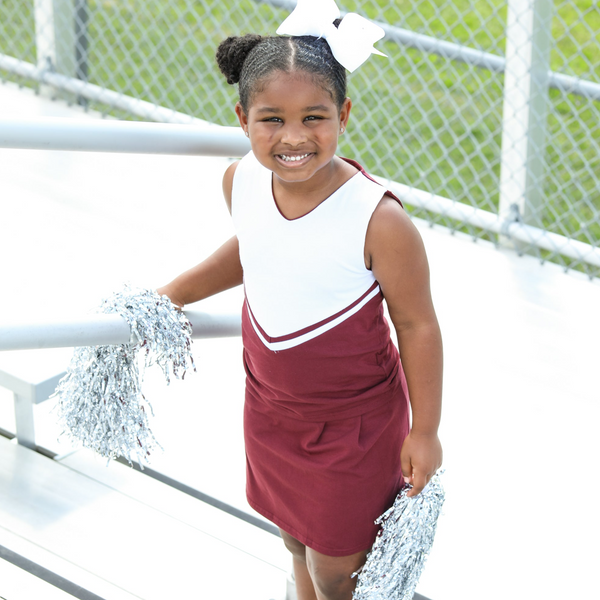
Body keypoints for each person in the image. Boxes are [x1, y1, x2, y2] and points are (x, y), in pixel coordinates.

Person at [157, 5, 443, 600]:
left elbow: (417, 325)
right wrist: (168, 296)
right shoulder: (241, 181)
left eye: (314, 117)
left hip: (354, 426)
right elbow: (254, 251)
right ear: (242, 117)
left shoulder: (380, 221)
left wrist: (426, 431)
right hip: (269, 407)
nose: (293, 137)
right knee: (293, 540)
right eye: (272, 119)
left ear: (342, 114)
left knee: (336, 566)